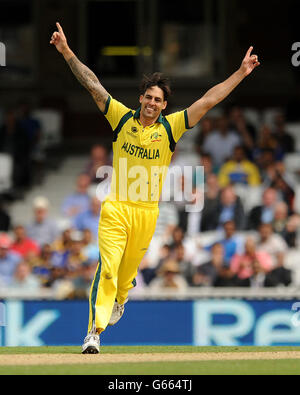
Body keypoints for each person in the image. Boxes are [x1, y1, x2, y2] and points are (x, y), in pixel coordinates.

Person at [50, 22, 260, 354]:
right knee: (107, 270)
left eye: (157, 99)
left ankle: (121, 297)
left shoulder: (172, 126)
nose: (151, 102)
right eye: (147, 96)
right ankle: (94, 332)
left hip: (147, 214)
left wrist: (240, 73)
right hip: (116, 208)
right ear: (140, 99)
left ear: (164, 105)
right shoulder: (121, 118)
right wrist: (66, 51)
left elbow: (208, 100)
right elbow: (93, 84)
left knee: (124, 278)